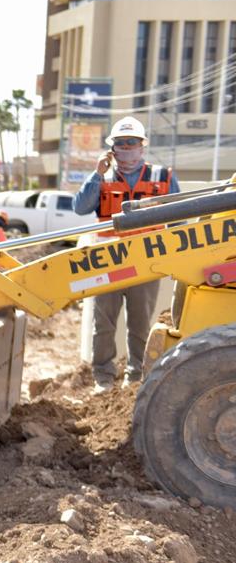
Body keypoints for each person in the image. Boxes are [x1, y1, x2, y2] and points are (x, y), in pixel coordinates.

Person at [73, 115, 179, 392]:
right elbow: (80, 207)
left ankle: (135, 377)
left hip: (146, 263)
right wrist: (97, 174)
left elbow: (178, 220)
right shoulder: (102, 177)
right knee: (103, 324)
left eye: (132, 142)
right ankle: (103, 377)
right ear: (113, 148)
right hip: (108, 262)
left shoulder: (162, 177)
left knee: (140, 324)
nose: (127, 148)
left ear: (142, 146)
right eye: (121, 143)